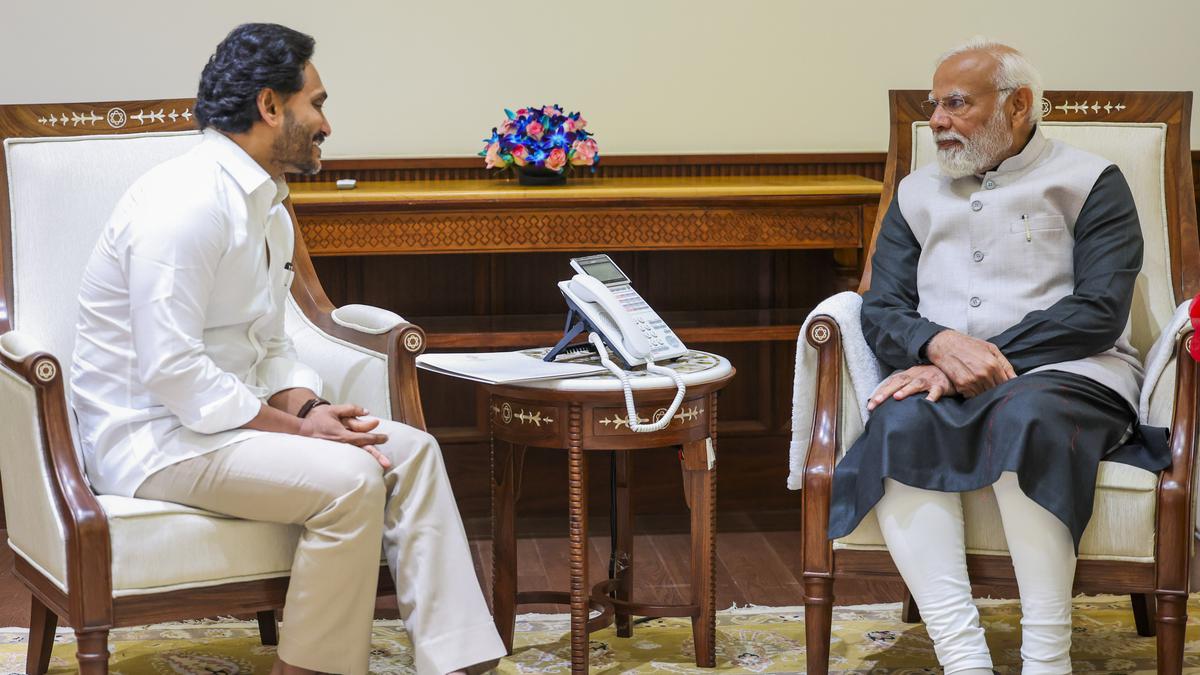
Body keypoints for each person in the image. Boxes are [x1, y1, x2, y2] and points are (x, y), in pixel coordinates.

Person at [70, 23, 505, 675]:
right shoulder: (184, 204)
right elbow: (172, 371)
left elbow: (268, 344)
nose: (326, 124)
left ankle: (460, 660)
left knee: (412, 450)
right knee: (352, 479)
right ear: (271, 107)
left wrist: (310, 411)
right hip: (152, 438)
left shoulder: (267, 206)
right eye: (318, 102)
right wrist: (298, 431)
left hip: (223, 426)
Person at [826, 38, 1170, 674]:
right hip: (941, 374)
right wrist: (936, 347)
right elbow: (882, 307)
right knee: (898, 422)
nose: (936, 121)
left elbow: (1098, 310)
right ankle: (963, 658)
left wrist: (967, 358)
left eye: (957, 104)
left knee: (1027, 414)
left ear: (1018, 106)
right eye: (934, 105)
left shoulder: (1092, 180)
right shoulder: (913, 193)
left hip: (1073, 372)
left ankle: (1047, 658)